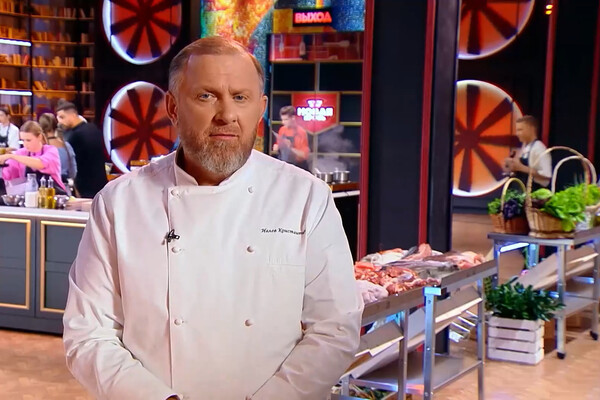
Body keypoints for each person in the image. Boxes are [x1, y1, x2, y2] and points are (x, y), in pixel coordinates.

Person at [63, 36, 362, 400]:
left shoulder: (306, 197)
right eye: (206, 96)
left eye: (240, 97)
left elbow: (335, 327)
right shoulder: (118, 204)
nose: (227, 115)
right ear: (173, 107)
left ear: (260, 109)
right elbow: (88, 334)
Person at [56, 101, 107, 198]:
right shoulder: (93, 128)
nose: (60, 122)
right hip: (100, 183)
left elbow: (69, 164)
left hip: (84, 188)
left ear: (73, 115)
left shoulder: (74, 135)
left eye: (62, 117)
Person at [0, 121, 67, 194]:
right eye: (23, 140)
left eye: (28, 140)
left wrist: (12, 156)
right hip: (30, 195)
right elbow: (7, 174)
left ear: (39, 137)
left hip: (54, 194)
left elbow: (40, 164)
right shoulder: (20, 153)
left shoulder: (51, 150)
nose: (25, 144)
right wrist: (2, 165)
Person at [504, 115, 552, 190]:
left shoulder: (539, 148)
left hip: (534, 192)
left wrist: (521, 168)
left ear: (531, 129)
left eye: (520, 130)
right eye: (517, 130)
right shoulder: (525, 147)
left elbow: (546, 175)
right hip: (521, 191)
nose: (517, 134)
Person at [39, 113, 77, 192]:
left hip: (45, 190)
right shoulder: (67, 146)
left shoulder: (40, 148)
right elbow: (73, 172)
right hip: (64, 189)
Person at [273, 105, 310, 170]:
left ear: (293, 118)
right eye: (282, 120)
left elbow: (303, 155)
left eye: (286, 119)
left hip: (298, 167)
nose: (283, 122)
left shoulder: (301, 132)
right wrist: (277, 147)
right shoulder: (282, 130)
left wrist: (290, 148)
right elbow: (278, 146)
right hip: (284, 165)